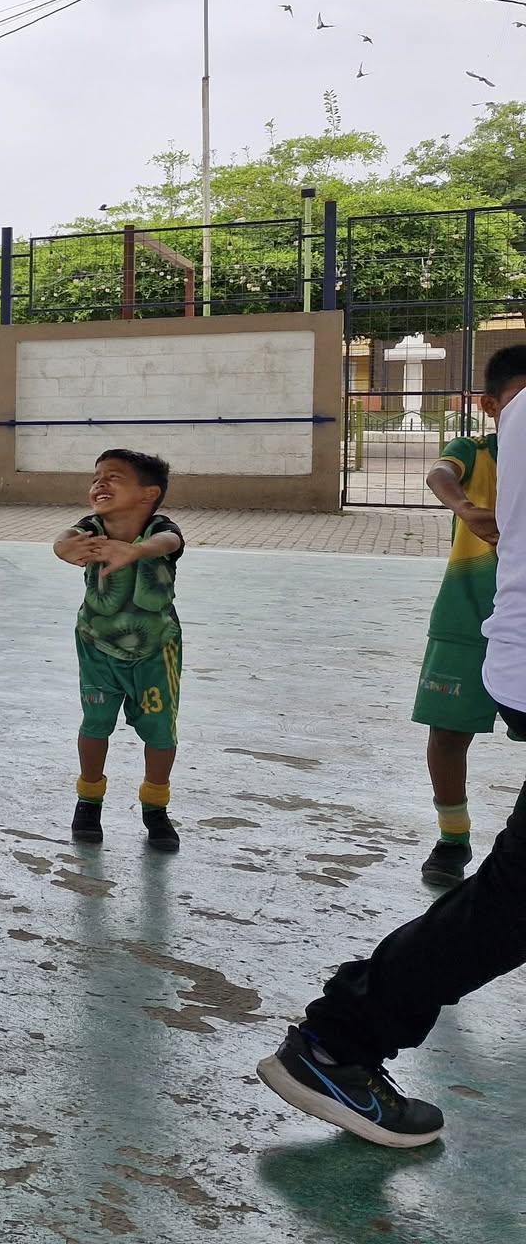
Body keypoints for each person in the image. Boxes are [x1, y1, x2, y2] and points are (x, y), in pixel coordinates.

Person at [255, 378, 526, 1150]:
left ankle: (341, 1038)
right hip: (488, 634)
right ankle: (337, 1042)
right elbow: (440, 473)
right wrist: (463, 505)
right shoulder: (492, 436)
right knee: (512, 900)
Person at [409, 347, 526, 887]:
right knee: (449, 731)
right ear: (490, 406)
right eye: (517, 401)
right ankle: (452, 838)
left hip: (518, 625)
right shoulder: (477, 451)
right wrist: (465, 508)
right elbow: (439, 473)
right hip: (464, 617)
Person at [52, 449, 185, 852]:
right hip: (96, 646)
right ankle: (88, 801)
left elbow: (171, 540)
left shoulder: (159, 528)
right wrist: (62, 548)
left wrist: (136, 551)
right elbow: (64, 539)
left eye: (114, 476)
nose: (100, 483)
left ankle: (155, 807)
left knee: (160, 732)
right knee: (95, 724)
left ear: (149, 493)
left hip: (155, 650)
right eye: (96, 477)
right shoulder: (91, 528)